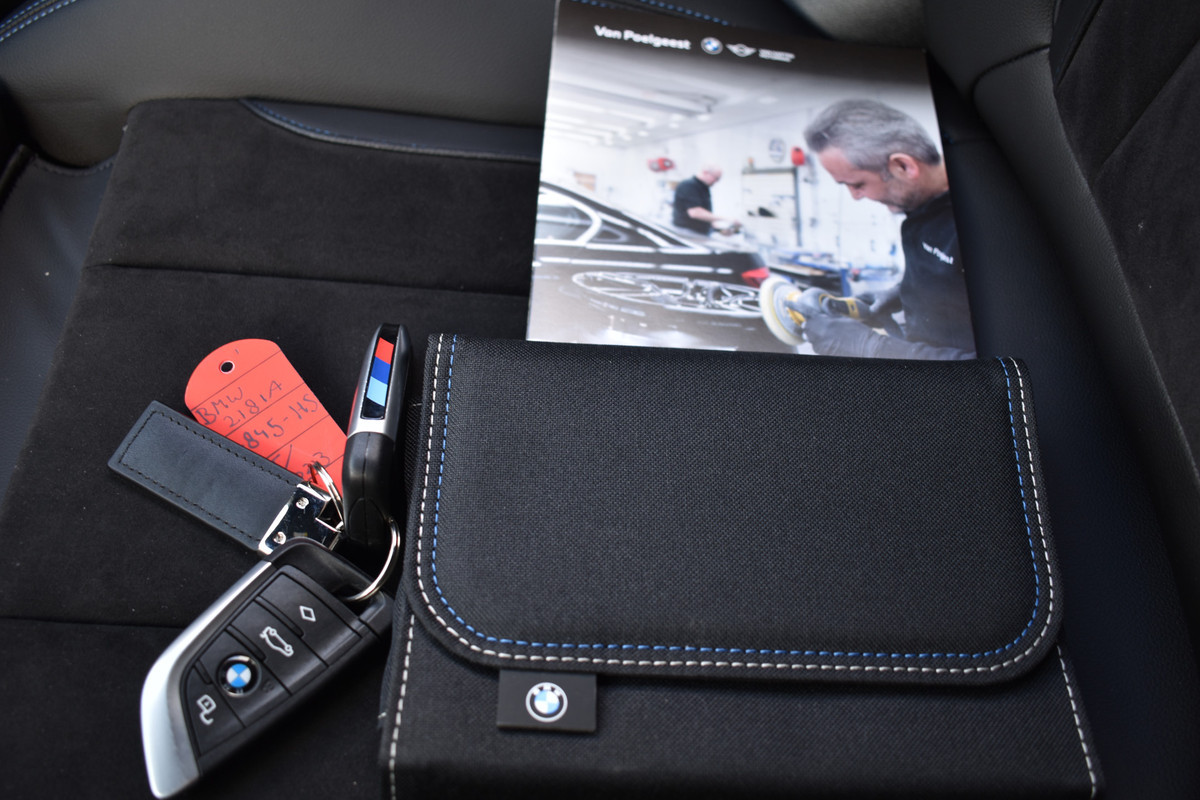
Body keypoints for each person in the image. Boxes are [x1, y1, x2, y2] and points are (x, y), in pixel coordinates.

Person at [764, 99, 975, 360]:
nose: (855, 197)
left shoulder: (982, 224)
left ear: (903, 166)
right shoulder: (921, 211)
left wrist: (872, 348)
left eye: (858, 184)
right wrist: (901, 294)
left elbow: (998, 364)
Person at [671, 165, 741, 236]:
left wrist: (719, 230)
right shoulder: (689, 186)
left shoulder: (704, 187)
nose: (716, 182)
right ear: (705, 172)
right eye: (716, 178)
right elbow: (695, 213)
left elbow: (704, 213)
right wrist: (727, 219)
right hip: (687, 233)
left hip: (700, 232)